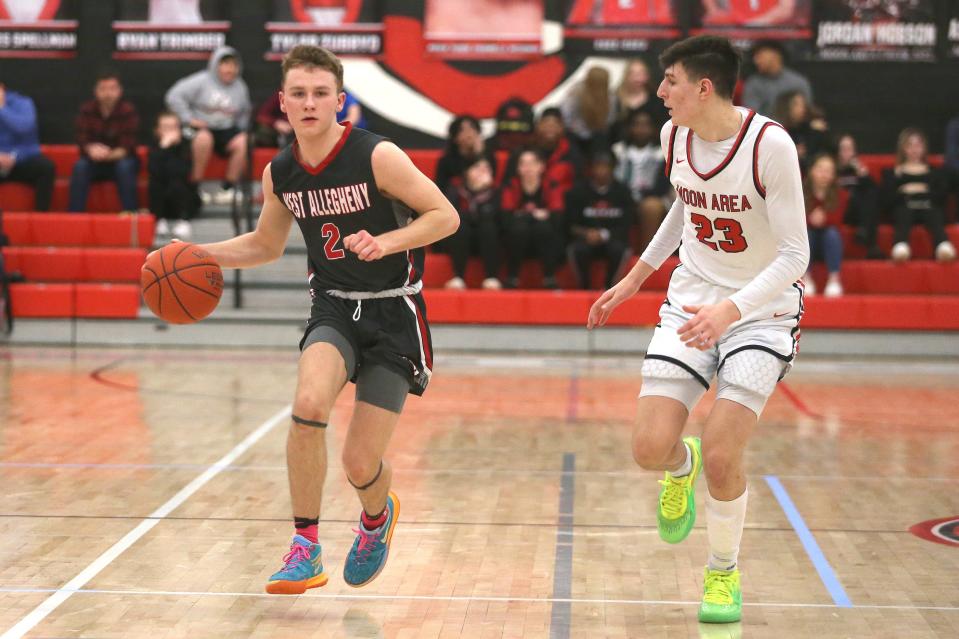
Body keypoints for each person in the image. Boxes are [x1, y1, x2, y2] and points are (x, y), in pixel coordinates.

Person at [180, 45, 458, 594]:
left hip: (393, 309)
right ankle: (305, 546)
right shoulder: (280, 172)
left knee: (359, 461)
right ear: (283, 103)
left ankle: (376, 517)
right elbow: (264, 244)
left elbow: (445, 216)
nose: (310, 103)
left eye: (320, 93)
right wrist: (195, 255)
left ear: (340, 100)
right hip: (333, 304)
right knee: (307, 405)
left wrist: (387, 240)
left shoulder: (378, 156)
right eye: (299, 94)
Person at [588, 36, 809, 624]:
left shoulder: (770, 145)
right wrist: (636, 278)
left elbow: (795, 255)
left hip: (760, 312)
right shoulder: (673, 137)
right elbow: (685, 208)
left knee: (722, 453)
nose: (659, 92)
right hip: (691, 301)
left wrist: (731, 311)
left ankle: (721, 573)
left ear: (703, 87)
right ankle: (675, 467)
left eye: (670, 81)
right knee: (647, 450)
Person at [165, 46, 251, 205]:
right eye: (225, 64)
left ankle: (228, 188)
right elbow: (173, 96)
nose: (229, 69)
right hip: (202, 128)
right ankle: (195, 185)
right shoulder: (201, 80)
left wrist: (241, 129)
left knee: (244, 141)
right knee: (204, 138)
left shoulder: (240, 86)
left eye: (233, 65)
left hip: (227, 129)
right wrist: (188, 118)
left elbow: (245, 112)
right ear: (215, 65)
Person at [68, 71, 140, 213]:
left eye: (112, 89)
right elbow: (82, 139)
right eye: (103, 89)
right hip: (94, 161)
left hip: (121, 159)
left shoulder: (128, 111)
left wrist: (106, 155)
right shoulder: (87, 110)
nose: (108, 93)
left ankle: (131, 215)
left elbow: (127, 146)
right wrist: (90, 149)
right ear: (96, 91)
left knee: (124, 167)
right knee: (80, 167)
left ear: (119, 91)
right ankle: (75, 215)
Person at [880, 127, 955, 263]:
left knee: (934, 212)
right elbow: (886, 201)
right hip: (903, 209)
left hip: (929, 208)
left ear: (924, 148)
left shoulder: (935, 172)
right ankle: (901, 246)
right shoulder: (892, 173)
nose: (914, 149)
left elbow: (941, 197)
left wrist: (922, 192)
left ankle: (942, 246)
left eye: (918, 145)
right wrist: (905, 191)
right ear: (903, 148)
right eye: (910, 145)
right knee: (903, 212)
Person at [566, 151, 634, 289]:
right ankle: (584, 287)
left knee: (619, 250)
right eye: (598, 166)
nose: (601, 171)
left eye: (605, 167)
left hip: (614, 238)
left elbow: (627, 223)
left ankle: (610, 288)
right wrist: (586, 233)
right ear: (590, 168)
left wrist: (604, 234)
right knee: (578, 250)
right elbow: (569, 223)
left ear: (613, 168)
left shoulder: (623, 191)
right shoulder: (578, 191)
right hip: (585, 238)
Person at [501, 148, 565, 289]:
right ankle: (512, 277)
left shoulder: (551, 184)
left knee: (543, 228)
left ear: (541, 166)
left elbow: (557, 216)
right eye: (523, 164)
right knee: (519, 229)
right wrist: (536, 214)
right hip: (517, 237)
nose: (528, 168)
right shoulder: (510, 185)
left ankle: (549, 277)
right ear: (518, 168)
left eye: (532, 163)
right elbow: (506, 217)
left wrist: (522, 214)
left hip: (544, 237)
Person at [611, 109, 671, 252]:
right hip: (621, 194)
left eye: (645, 125)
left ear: (653, 128)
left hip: (650, 197)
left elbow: (661, 186)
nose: (641, 129)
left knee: (651, 206)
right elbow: (610, 179)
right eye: (637, 124)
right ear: (630, 128)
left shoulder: (662, 151)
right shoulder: (618, 150)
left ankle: (647, 255)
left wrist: (641, 196)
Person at [443, 156, 502, 290]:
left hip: (488, 240)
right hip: (460, 238)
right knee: (461, 225)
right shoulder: (456, 189)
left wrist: (483, 192)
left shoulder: (497, 191)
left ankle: (491, 277)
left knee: (488, 227)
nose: (482, 172)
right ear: (467, 171)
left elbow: (499, 219)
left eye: (486, 168)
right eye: (477, 167)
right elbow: (450, 215)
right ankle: (458, 276)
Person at [0, 82, 54, 211]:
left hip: (21, 159)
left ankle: (41, 219)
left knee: (46, 168)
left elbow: (25, 128)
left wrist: (2, 109)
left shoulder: (23, 103)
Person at [148, 111, 200, 240]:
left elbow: (182, 172)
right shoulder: (156, 147)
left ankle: (184, 220)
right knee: (156, 183)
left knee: (177, 181)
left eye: (173, 127)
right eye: (165, 127)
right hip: (161, 202)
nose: (170, 132)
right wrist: (163, 147)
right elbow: (154, 170)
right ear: (157, 130)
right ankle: (159, 220)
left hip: (185, 200)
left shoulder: (185, 146)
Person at [803, 154, 846, 297]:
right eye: (820, 169)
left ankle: (834, 279)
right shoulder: (801, 192)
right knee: (806, 233)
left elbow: (838, 220)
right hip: (809, 242)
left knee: (832, 233)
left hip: (829, 243)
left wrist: (824, 219)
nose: (824, 174)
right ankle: (805, 277)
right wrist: (811, 220)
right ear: (812, 171)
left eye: (828, 171)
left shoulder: (840, 194)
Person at [835, 133, 882, 259]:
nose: (846, 153)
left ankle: (864, 231)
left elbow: (875, 192)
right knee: (855, 197)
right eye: (843, 149)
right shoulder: (833, 169)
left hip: (859, 212)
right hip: (841, 210)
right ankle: (872, 245)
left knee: (870, 195)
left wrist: (863, 174)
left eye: (849, 149)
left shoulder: (858, 170)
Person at [741, 41, 812, 119]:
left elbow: (806, 113)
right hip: (765, 129)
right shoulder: (753, 84)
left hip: (796, 130)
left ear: (775, 55)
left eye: (760, 56)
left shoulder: (798, 82)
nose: (756, 61)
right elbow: (752, 118)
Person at [434, 115, 495, 195]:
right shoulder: (447, 161)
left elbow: (489, 182)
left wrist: (479, 154)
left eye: (472, 129)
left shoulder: (488, 156)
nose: (469, 134)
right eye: (462, 130)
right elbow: (441, 189)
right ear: (455, 138)